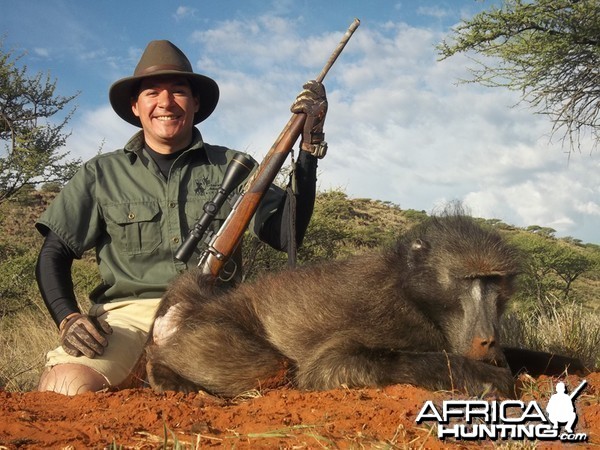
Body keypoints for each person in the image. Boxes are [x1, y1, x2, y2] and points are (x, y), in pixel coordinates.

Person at [35, 40, 328, 395]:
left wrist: (308, 152)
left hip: (210, 312)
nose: (166, 103)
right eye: (152, 93)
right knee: (64, 386)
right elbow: (54, 253)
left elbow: (287, 235)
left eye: (178, 92)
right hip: (126, 316)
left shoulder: (233, 166)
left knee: (261, 392)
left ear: (196, 102)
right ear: (135, 105)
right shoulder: (101, 173)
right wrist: (68, 317)